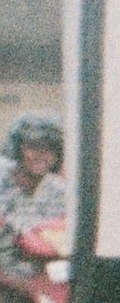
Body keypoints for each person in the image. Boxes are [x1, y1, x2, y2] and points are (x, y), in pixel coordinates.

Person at [0, 111, 65, 261]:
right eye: (34, 146)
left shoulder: (61, 192)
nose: (42, 154)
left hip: (36, 266)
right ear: (17, 148)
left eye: (50, 148)